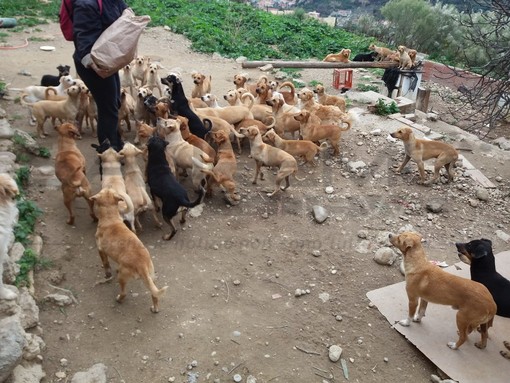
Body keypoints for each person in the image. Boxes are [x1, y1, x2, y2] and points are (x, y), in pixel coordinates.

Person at [72, 0, 128, 152]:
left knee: (114, 103)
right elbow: (83, 39)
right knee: (107, 108)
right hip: (92, 64)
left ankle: (115, 142)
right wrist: (95, 66)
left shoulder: (113, 1)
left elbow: (125, 12)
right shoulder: (86, 4)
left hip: (108, 59)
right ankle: (109, 152)